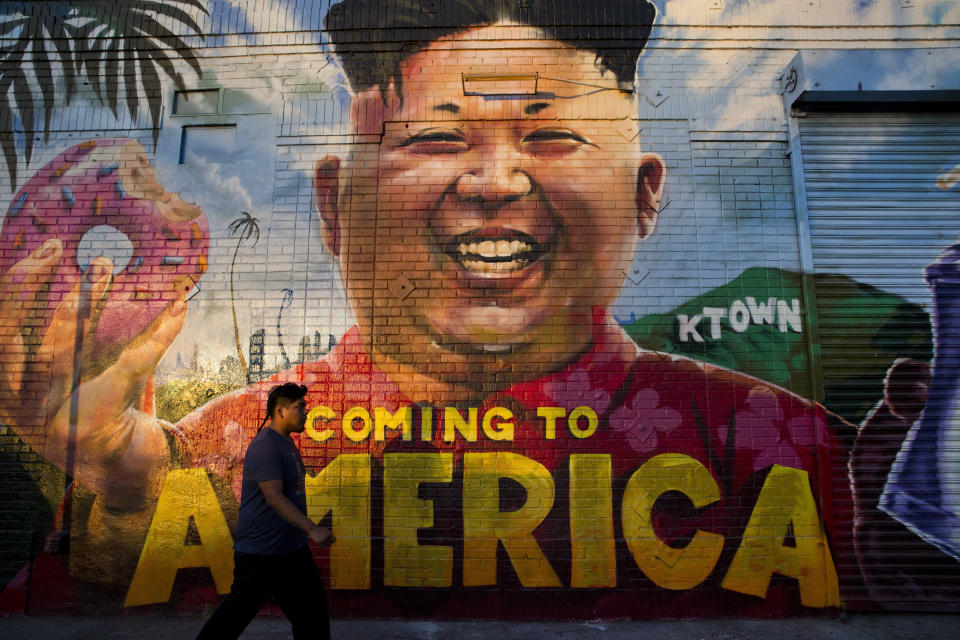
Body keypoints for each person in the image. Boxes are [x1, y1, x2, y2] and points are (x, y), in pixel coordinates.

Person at [0, 0, 954, 616]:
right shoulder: (219, 453)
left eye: (555, 135)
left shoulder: (782, 446)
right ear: (335, 204)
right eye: (433, 137)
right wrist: (114, 490)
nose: (496, 180)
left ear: (644, 193)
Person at [196, 383, 334, 640]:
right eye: (300, 407)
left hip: (291, 552)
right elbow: (273, 497)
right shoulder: (265, 446)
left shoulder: (285, 443)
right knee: (232, 618)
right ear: (280, 411)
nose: (306, 411)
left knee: (312, 614)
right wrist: (312, 528)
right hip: (260, 555)